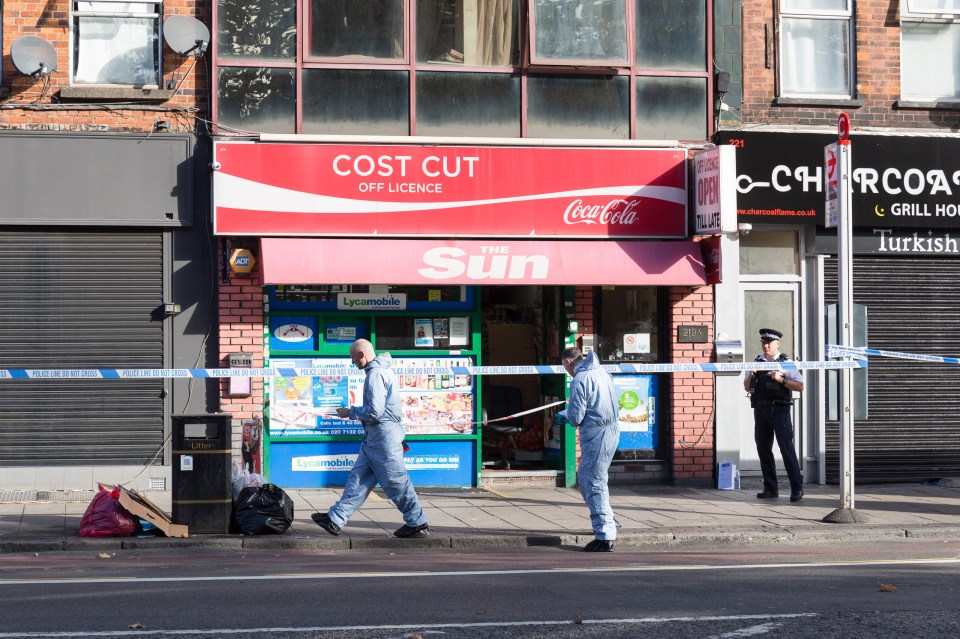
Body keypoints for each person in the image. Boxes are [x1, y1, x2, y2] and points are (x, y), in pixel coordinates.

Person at [311, 339, 430, 538]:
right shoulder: (377, 372)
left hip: (384, 440)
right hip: (375, 439)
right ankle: (335, 519)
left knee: (396, 482)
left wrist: (351, 412)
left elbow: (375, 411)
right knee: (358, 480)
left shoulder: (376, 374)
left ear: (362, 354)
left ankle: (417, 522)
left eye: (352, 357)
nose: (352, 362)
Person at [561, 346, 620, 552]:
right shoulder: (602, 371)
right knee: (588, 478)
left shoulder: (580, 379)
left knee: (593, 482)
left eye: (565, 368)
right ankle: (608, 518)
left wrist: (566, 415)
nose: (567, 371)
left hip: (596, 434)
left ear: (568, 362)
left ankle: (605, 534)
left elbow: (576, 417)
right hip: (611, 430)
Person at [743, 328, 805, 502]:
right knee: (764, 450)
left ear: (777, 343)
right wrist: (751, 375)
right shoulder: (757, 362)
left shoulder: (786, 362)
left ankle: (796, 488)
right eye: (763, 342)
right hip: (761, 411)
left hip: (780, 410)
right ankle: (770, 488)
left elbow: (800, 386)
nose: (766, 346)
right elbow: (747, 387)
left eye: (769, 343)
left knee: (786, 449)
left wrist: (782, 380)